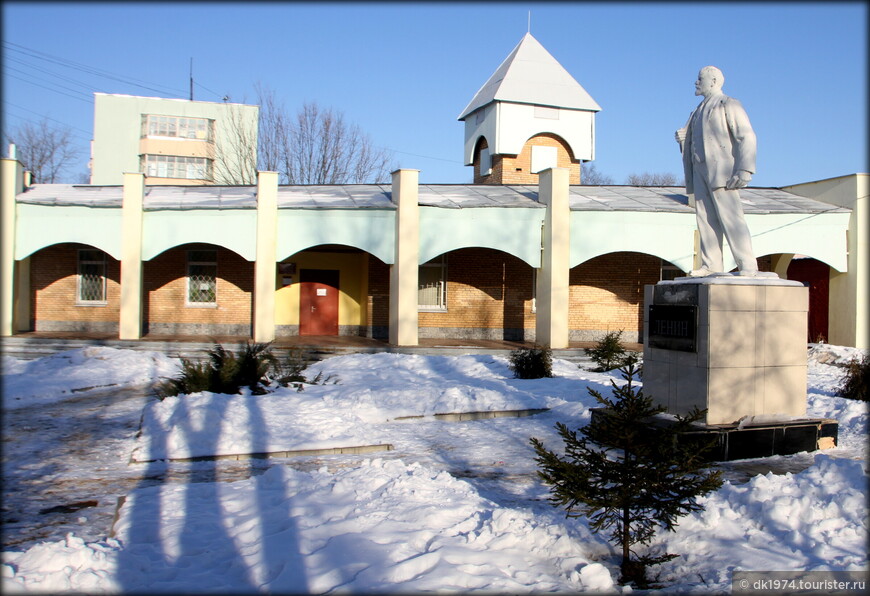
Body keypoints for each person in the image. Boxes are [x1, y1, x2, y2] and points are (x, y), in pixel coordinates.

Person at [676, 66, 761, 277]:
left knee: (731, 219)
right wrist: (683, 140)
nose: (696, 83)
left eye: (699, 79)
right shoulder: (695, 112)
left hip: (722, 172)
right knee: (705, 219)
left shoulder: (728, 104)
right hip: (699, 171)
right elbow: (693, 143)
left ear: (713, 81)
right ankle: (711, 264)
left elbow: (746, 136)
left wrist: (744, 169)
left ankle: (747, 264)